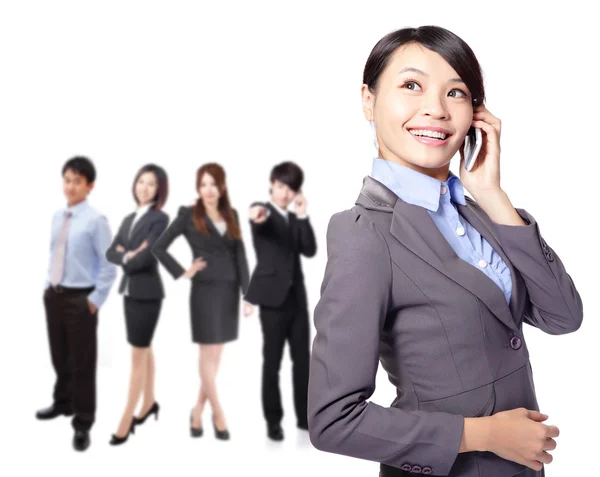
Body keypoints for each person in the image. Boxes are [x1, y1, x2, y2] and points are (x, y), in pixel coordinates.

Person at [307, 26, 584, 477]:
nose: (435, 109)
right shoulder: (364, 233)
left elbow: (563, 316)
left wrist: (492, 194)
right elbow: (333, 420)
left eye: (456, 92)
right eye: (411, 85)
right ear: (368, 100)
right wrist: (484, 436)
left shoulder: (478, 215)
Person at [152, 163, 253, 440]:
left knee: (216, 357)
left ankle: (197, 410)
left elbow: (240, 256)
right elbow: (158, 247)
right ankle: (218, 413)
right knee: (207, 357)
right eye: (203, 184)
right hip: (205, 291)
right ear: (198, 188)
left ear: (222, 187)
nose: (207, 190)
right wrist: (183, 270)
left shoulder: (230, 214)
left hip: (229, 291)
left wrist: (248, 293)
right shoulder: (188, 214)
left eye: (212, 184)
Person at [37, 156, 117, 451]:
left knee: (82, 364)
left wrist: (94, 301)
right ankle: (63, 403)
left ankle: (83, 422)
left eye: (77, 181)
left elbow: (109, 267)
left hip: (80, 299)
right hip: (54, 296)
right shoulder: (58, 216)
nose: (70, 186)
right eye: (67, 180)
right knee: (60, 357)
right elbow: (54, 254)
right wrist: (48, 286)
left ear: (90, 186)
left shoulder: (96, 221)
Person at [244, 161, 317, 441]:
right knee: (271, 362)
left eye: (291, 188)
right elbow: (257, 218)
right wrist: (256, 214)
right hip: (272, 301)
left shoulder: (293, 217)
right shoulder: (263, 212)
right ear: (272, 184)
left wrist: (302, 215)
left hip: (297, 301)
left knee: (303, 362)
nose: (285, 193)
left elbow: (309, 250)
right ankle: (273, 421)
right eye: (281, 186)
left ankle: (304, 418)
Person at [105, 164, 170, 445]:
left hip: (147, 295)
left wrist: (129, 254)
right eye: (141, 181)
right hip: (130, 292)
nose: (144, 187)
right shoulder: (130, 219)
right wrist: (130, 254)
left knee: (137, 355)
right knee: (144, 349)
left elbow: (148, 258)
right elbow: (111, 251)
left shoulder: (159, 218)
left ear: (159, 191)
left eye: (151, 184)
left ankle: (126, 419)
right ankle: (149, 402)